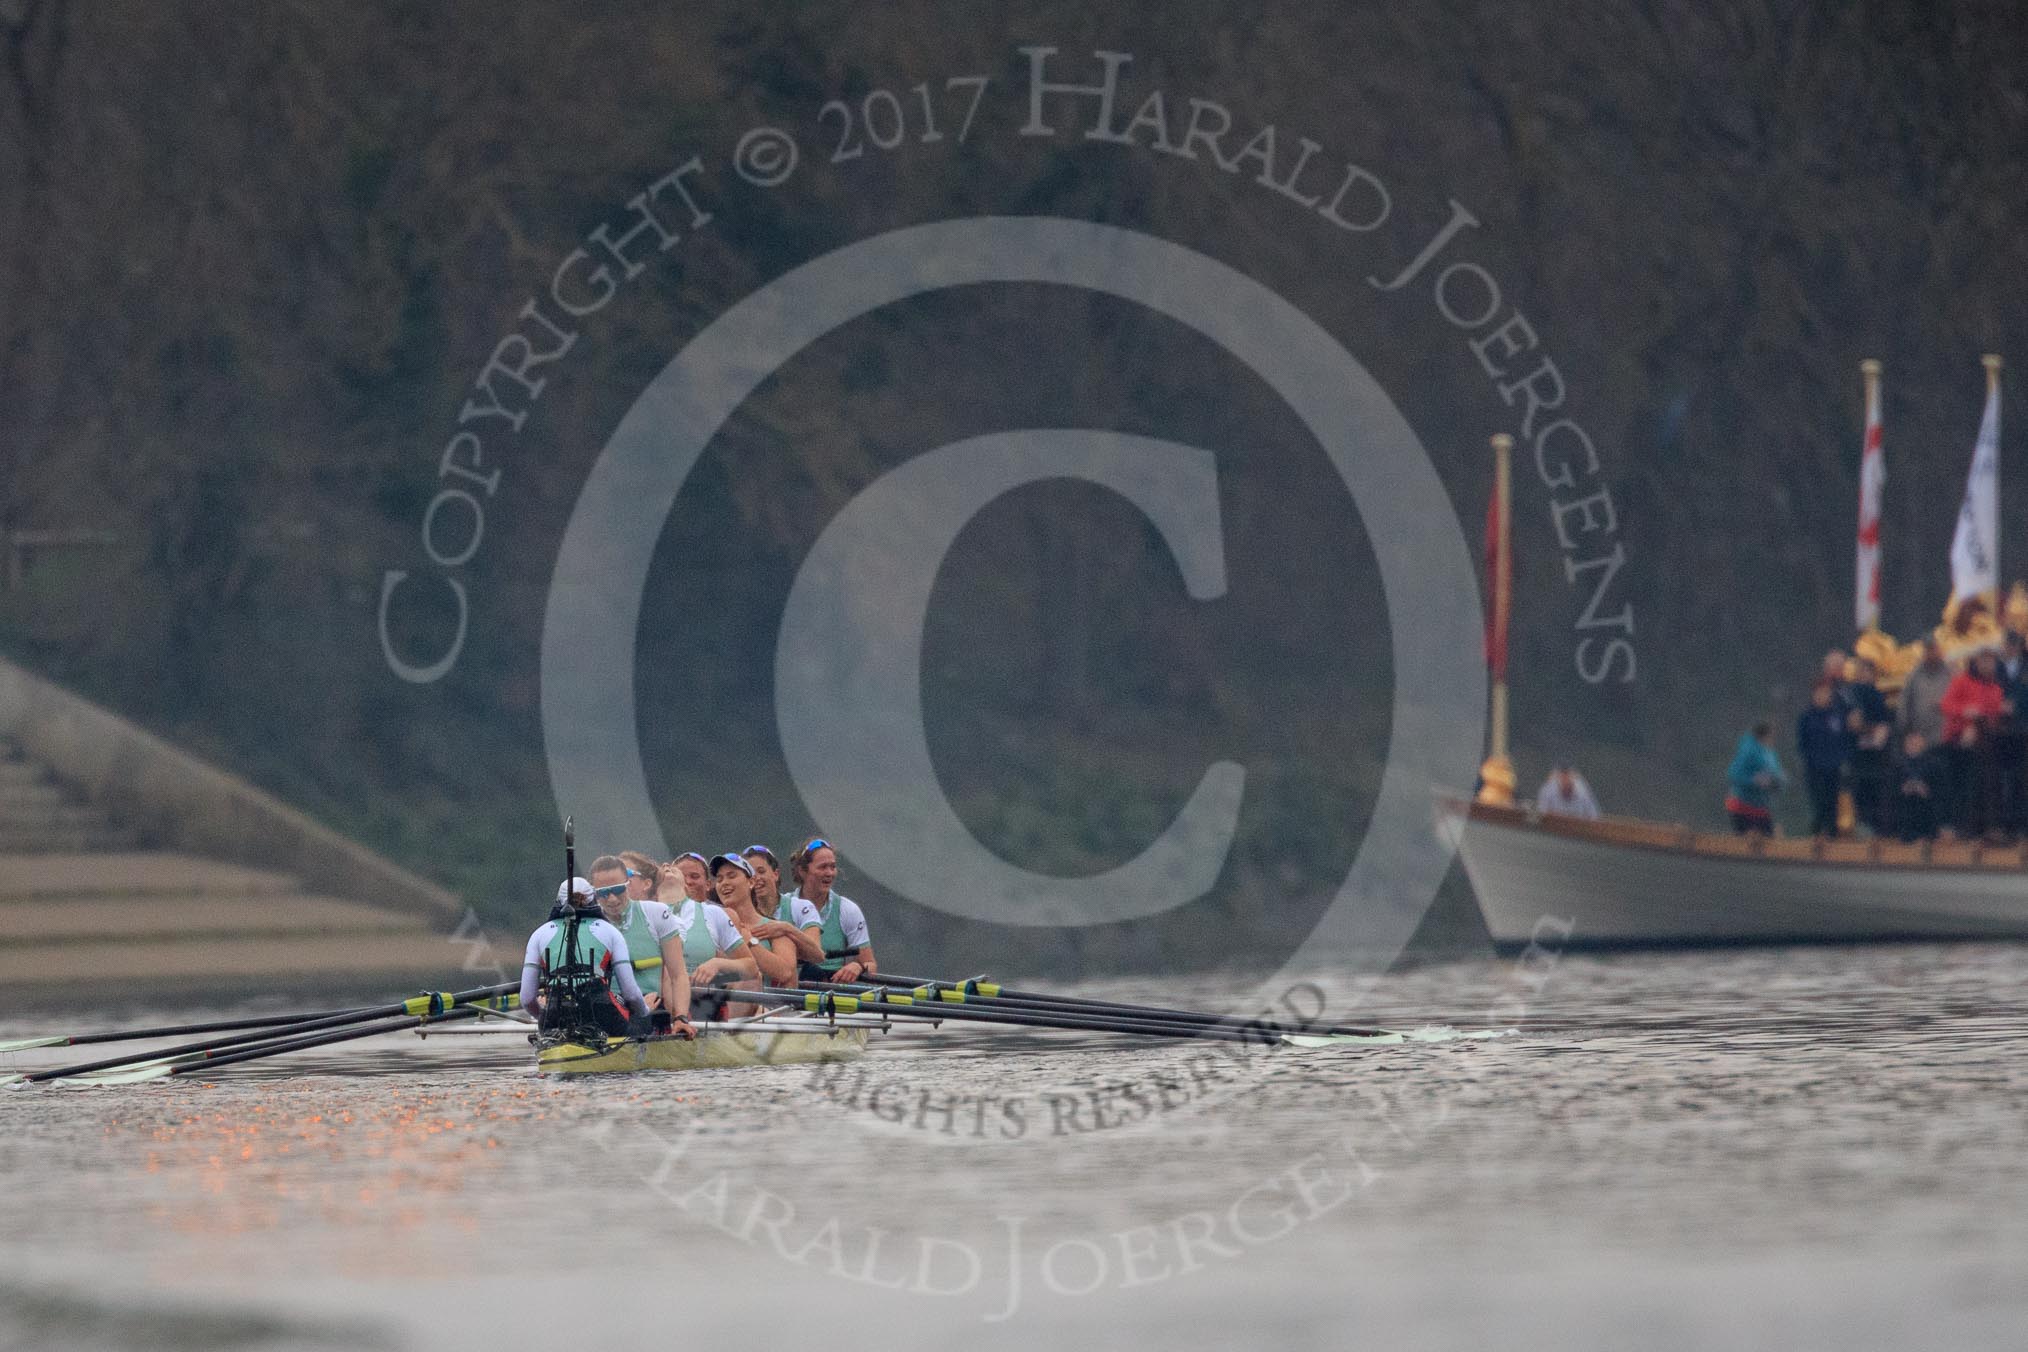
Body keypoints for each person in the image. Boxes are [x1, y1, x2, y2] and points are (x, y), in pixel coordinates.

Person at [520, 877, 653, 1038]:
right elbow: (631, 994)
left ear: (559, 901)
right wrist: (645, 1011)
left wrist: (543, 1015)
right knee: (644, 1022)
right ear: (593, 900)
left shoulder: (539, 934)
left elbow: (527, 998)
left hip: (555, 1014)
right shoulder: (610, 931)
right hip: (601, 1013)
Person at [582, 852, 696, 1034]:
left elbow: (678, 975)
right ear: (593, 893)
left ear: (627, 884)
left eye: (618, 889)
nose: (611, 898)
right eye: (603, 893)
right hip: (606, 1010)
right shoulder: (586, 925)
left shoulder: (656, 914)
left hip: (653, 1009)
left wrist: (680, 1017)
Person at [652, 856, 752, 1019]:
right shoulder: (642, 913)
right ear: (651, 888)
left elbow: (751, 968)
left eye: (694, 876)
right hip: (657, 1004)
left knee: (750, 979)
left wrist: (717, 964)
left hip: (703, 1001)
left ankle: (730, 1034)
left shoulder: (714, 913)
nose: (666, 867)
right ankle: (678, 1019)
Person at [700, 852, 799, 1017]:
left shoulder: (775, 929)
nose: (724, 883)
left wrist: (746, 939)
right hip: (723, 1007)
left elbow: (785, 973)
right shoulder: (709, 925)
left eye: (732, 876)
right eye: (719, 879)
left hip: (771, 1014)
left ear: (751, 882)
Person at [784, 838, 877, 984]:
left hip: (830, 994)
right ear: (802, 871)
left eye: (832, 867)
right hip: (788, 992)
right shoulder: (783, 906)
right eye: (822, 867)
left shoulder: (847, 909)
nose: (829, 873)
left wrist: (858, 966)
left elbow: (870, 965)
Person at [1941, 649, 2008, 838]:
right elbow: (1946, 704)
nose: (1987, 665)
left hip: (1984, 745)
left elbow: (1992, 715)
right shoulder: (1961, 681)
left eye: (1991, 661)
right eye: (1983, 661)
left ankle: (1984, 826)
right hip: (1958, 742)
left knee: (1985, 783)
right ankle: (1960, 825)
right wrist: (1965, 712)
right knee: (1960, 785)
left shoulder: (1996, 688)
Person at [743, 843, 829, 970]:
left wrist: (787, 928)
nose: (756, 878)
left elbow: (818, 955)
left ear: (776, 874)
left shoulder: (800, 907)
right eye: (750, 874)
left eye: (761, 871)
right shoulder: (739, 912)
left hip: (796, 986)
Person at [1844, 658, 1894, 834]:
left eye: (1868, 672)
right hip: (1856, 756)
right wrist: (1870, 729)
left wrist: (1875, 730)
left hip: (1876, 757)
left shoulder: (1878, 696)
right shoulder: (1849, 695)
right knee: (1859, 793)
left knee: (1877, 793)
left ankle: (1877, 830)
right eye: (1862, 671)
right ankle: (1861, 828)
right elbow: (1851, 725)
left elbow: (1884, 723)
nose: (1865, 675)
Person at [1795, 681, 1852, 837]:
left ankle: (1832, 836)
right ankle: (1816, 835)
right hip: (1814, 768)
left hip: (1833, 768)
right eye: (1819, 693)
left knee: (1832, 804)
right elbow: (1802, 743)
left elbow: (1844, 740)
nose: (1823, 696)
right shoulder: (1806, 717)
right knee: (1818, 804)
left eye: (1826, 693)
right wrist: (1808, 761)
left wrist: (1841, 759)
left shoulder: (1837, 716)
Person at [1725, 722, 1785, 836]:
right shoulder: (1748, 751)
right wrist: (1754, 781)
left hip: (1761, 807)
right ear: (1764, 736)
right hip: (1742, 806)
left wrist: (1776, 783)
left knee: (1768, 841)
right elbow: (1734, 774)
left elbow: (1778, 776)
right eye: (1771, 736)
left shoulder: (1770, 753)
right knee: (1746, 843)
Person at [1897, 638, 1951, 749]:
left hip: (1946, 736)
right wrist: (1907, 733)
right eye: (1928, 650)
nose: (1931, 654)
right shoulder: (1914, 676)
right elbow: (1904, 704)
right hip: (1919, 737)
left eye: (1933, 649)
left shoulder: (1952, 673)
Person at [1893, 729, 1942, 842]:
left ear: (1923, 744)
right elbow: (1890, 789)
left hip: (1928, 809)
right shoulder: (1897, 765)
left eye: (1916, 743)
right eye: (1910, 743)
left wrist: (1927, 790)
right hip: (1904, 809)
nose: (1913, 746)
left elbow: (1941, 790)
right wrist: (1902, 789)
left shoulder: (1934, 764)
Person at [1534, 765, 1601, 820]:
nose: (1566, 783)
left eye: (1569, 785)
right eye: (1563, 782)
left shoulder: (1583, 792)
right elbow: (1540, 815)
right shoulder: (1547, 790)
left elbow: (1594, 817)